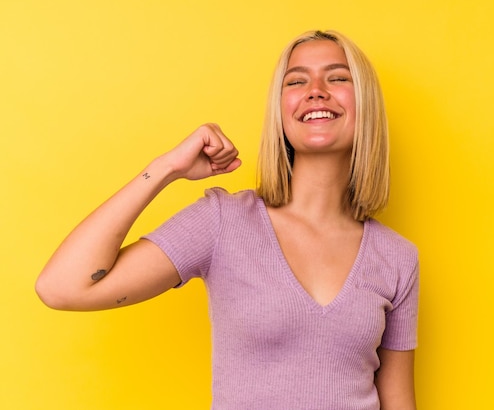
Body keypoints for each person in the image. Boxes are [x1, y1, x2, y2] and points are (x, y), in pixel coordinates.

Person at [36, 30, 419, 410]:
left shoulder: (397, 256)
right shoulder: (224, 223)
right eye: (297, 80)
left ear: (365, 103)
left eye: (338, 77)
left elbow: (398, 401)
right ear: (280, 109)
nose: (316, 90)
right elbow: (62, 288)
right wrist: (166, 168)